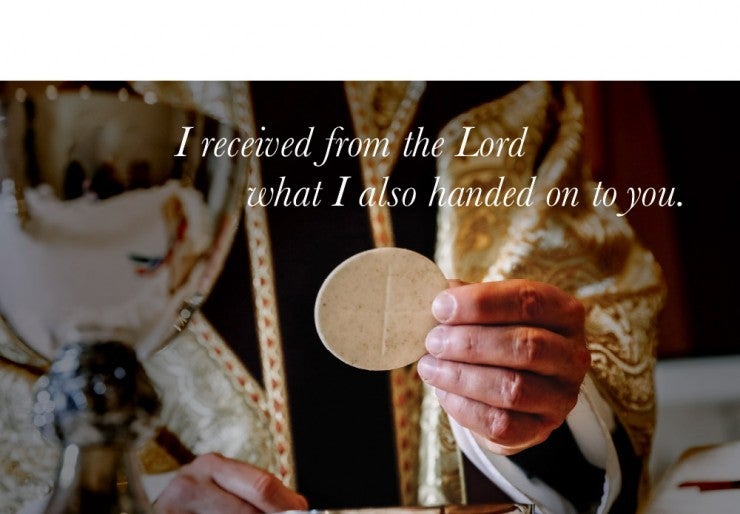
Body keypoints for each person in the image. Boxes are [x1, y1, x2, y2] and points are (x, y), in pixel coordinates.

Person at [0, 82, 663, 514]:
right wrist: (118, 494)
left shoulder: (488, 79)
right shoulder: (45, 84)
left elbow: (583, 318)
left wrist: (533, 408)